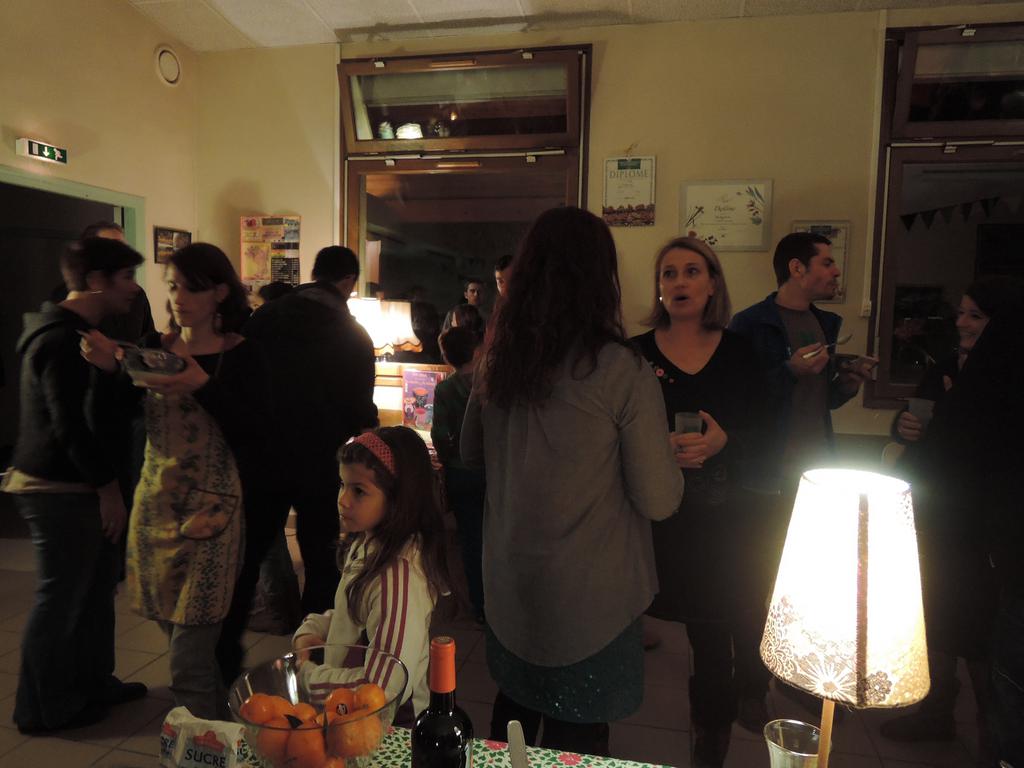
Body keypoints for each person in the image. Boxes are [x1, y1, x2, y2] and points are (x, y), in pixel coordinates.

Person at [462, 207, 683, 756]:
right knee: (576, 744)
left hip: (511, 585)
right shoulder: (620, 369)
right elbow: (658, 499)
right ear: (601, 278)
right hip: (590, 600)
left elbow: (470, 453)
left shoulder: (496, 361)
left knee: (511, 724)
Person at [83, 243, 269, 719]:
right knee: (185, 643)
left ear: (220, 292)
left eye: (191, 288)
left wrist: (203, 386)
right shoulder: (154, 346)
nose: (178, 298)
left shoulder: (243, 355)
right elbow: (114, 419)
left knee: (188, 660)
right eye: (172, 287)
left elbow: (257, 433)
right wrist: (107, 373)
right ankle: (226, 730)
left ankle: (199, 743)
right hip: (156, 505)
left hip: (213, 514)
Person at [631, 237, 770, 767]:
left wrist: (723, 441)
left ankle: (710, 742)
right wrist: (656, 447)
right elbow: (612, 436)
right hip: (651, 519)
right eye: (668, 273)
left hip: (724, 522)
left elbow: (767, 431)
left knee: (714, 635)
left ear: (712, 284)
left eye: (692, 271)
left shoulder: (740, 351)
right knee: (625, 627)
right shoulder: (633, 355)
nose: (679, 282)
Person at [3, 237, 148, 733]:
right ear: (95, 281)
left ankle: (93, 684)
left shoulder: (87, 335)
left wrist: (115, 371)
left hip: (79, 484)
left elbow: (104, 413)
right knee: (61, 599)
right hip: (58, 489)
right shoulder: (60, 340)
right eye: (126, 277)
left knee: (94, 592)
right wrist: (107, 489)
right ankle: (41, 709)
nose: (134, 288)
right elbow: (69, 427)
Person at [728, 232, 872, 720]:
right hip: (765, 473)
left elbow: (820, 399)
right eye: (827, 262)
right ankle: (749, 687)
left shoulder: (827, 323)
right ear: (796, 268)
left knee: (808, 585)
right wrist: (788, 371)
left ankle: (797, 679)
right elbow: (742, 400)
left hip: (818, 474)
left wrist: (845, 384)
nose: (835, 271)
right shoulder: (750, 324)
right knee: (757, 582)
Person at [880, 277, 1024, 751]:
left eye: (975, 315)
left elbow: (983, 446)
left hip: (981, 525)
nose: (962, 322)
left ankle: (993, 738)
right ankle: (936, 713)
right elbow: (913, 422)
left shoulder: (1006, 376)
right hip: (934, 510)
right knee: (932, 614)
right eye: (960, 312)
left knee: (980, 630)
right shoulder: (945, 366)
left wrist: (948, 418)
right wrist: (902, 426)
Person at [242, 245, 377, 623]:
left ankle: (270, 612)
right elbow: (360, 410)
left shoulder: (265, 317)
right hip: (319, 457)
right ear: (348, 281)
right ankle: (315, 630)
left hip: (264, 451)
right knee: (320, 548)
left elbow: (241, 381)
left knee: (258, 542)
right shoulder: (352, 334)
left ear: (316, 274)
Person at [293, 427, 450, 723]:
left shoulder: (398, 578)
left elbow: (384, 688)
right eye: (342, 484)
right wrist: (317, 628)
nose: (343, 500)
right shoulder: (368, 542)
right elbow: (355, 613)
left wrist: (310, 678)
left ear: (399, 498)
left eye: (359, 491)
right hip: (350, 713)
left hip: (387, 725)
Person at [431, 326, 485, 621]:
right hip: (490, 471)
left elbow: (440, 434)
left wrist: (448, 458)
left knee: (470, 540)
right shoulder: (489, 384)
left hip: (460, 473)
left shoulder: (445, 389)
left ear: (446, 356)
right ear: (477, 351)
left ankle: (478, 605)